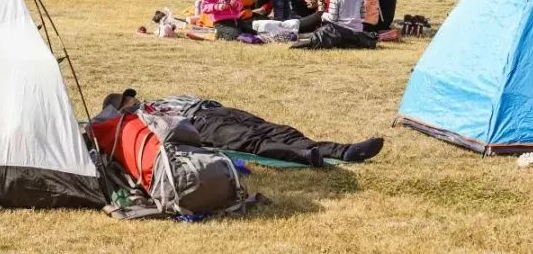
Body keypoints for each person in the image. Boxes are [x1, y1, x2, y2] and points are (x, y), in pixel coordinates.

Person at [100, 90, 384, 167]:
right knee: (252, 142)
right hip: (200, 126)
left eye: (130, 96)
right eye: (126, 100)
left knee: (277, 130)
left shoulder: (158, 101)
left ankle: (344, 151)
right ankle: (304, 157)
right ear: (121, 109)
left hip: (214, 110)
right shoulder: (139, 123)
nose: (132, 99)